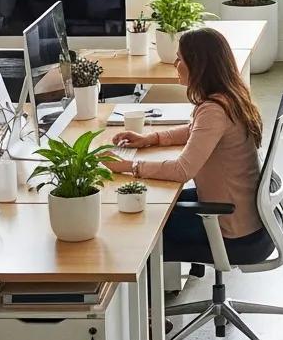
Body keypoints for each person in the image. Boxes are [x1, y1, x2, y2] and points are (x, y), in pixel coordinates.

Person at [107, 27, 271, 263]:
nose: (175, 63)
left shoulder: (215, 109)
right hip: (242, 215)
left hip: (231, 232)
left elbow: (182, 171)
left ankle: (148, 299)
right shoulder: (229, 97)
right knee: (152, 204)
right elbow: (195, 131)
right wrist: (150, 139)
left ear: (199, 65)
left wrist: (127, 166)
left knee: (137, 228)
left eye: (180, 59)